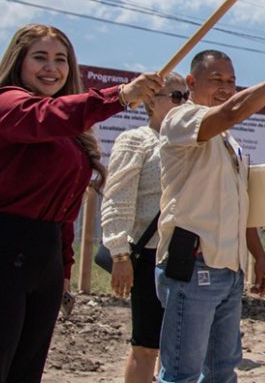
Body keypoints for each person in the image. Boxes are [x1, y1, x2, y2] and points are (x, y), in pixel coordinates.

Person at [0, 24, 161, 383]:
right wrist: (120, 96)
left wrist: (63, 270)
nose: (52, 67)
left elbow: (64, 211)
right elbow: (43, 118)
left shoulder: (71, 130)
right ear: (19, 62)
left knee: (25, 375)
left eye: (60, 59)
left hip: (41, 260)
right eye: (40, 57)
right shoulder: (6, 104)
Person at [156, 42, 265, 382]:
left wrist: (258, 257)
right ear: (191, 82)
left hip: (229, 271)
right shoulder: (181, 119)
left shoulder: (229, 142)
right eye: (216, 79)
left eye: (231, 82)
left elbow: (241, 208)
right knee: (181, 373)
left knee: (222, 371)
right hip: (194, 266)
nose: (226, 88)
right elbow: (233, 111)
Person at [100, 72, 187, 383]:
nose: (184, 103)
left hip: (181, 256)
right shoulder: (135, 140)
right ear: (151, 100)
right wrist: (120, 255)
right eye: (176, 96)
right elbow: (117, 198)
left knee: (176, 347)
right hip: (147, 256)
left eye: (186, 96)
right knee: (146, 346)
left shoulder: (185, 144)